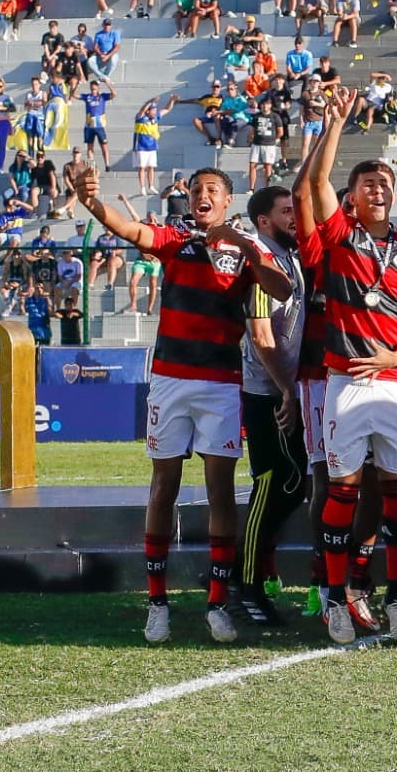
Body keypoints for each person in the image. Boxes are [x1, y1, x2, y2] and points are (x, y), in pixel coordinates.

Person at [74, 162, 292, 644]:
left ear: (228, 200)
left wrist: (248, 252)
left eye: (212, 188)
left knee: (219, 489)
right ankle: (157, 603)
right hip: (170, 380)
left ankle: (217, 604)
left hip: (219, 384)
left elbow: (284, 288)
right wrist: (91, 203)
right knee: (163, 485)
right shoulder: (177, 239)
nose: (202, 195)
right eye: (196, 189)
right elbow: (127, 227)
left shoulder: (246, 247)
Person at [306, 88, 397, 645]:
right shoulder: (340, 238)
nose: (378, 189)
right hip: (346, 383)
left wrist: (396, 356)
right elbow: (314, 186)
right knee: (343, 491)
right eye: (367, 184)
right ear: (352, 198)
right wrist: (335, 125)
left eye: (384, 182)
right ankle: (336, 599)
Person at [229, 185, 310, 624]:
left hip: (285, 390)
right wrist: (287, 390)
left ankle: (254, 571)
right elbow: (262, 336)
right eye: (286, 211)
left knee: (293, 484)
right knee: (269, 483)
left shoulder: (290, 255)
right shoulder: (261, 258)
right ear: (263, 220)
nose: (295, 216)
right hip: (267, 393)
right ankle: (245, 584)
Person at [133, 94, 181, 196]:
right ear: (148, 111)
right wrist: (150, 101)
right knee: (142, 167)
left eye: (155, 110)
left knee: (151, 167)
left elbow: (167, 109)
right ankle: (142, 187)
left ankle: (151, 186)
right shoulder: (141, 118)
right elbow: (142, 110)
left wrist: (172, 100)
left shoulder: (155, 117)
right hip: (141, 147)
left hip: (152, 146)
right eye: (153, 110)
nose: (155, 112)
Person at [246, 103, 286, 192]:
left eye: (267, 104)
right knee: (252, 165)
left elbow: (280, 131)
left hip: (269, 145)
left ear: (270, 106)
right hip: (256, 143)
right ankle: (251, 188)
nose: (264, 106)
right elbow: (252, 130)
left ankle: (267, 188)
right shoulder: (256, 116)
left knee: (267, 166)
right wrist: (250, 139)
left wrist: (274, 139)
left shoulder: (275, 117)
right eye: (263, 105)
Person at [80, 80, 116, 170]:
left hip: (100, 126)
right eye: (92, 88)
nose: (93, 89)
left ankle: (107, 164)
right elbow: (74, 95)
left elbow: (114, 94)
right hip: (89, 126)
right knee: (90, 147)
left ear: (98, 88)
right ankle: (90, 166)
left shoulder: (102, 96)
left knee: (104, 145)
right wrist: (77, 85)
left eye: (95, 88)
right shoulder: (87, 97)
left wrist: (108, 83)